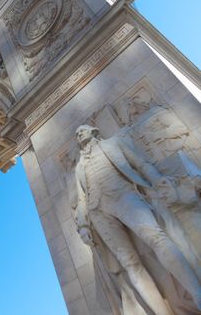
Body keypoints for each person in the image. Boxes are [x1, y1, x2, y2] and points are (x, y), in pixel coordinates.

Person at [74, 124, 201, 314]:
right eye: (77, 133)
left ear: (94, 131)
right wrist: (83, 225)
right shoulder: (79, 167)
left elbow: (140, 164)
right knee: (130, 264)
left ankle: (197, 293)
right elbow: (82, 198)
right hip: (98, 211)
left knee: (157, 238)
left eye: (82, 130)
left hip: (124, 195)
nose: (79, 134)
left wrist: (157, 179)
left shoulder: (114, 143)